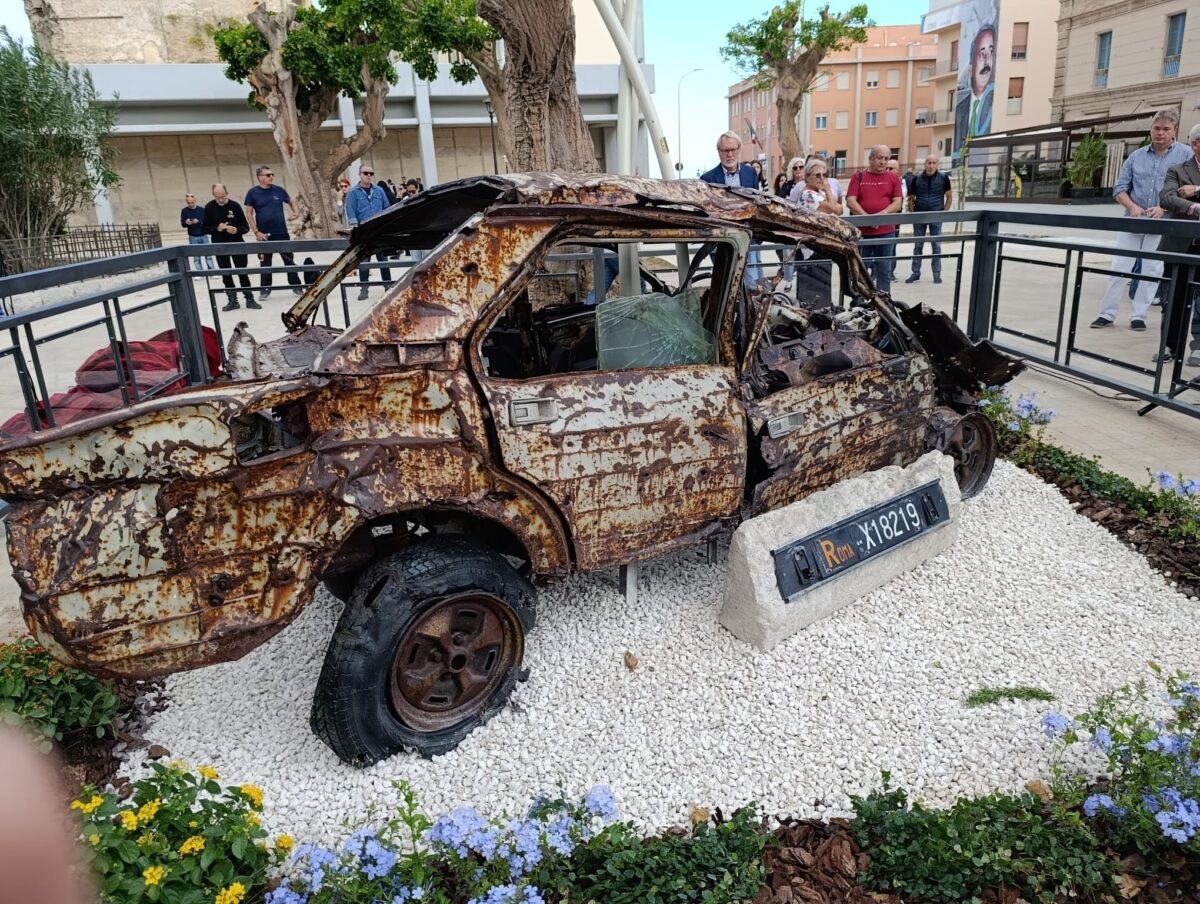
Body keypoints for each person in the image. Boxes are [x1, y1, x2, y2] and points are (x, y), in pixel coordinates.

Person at [1091, 109, 1191, 331]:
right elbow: (1119, 189)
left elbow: (1187, 189)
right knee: (1119, 267)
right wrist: (1132, 206)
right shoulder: (1136, 156)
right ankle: (1106, 314)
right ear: (1151, 130)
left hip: (1161, 223)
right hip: (1133, 221)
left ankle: (1139, 315)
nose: (1160, 133)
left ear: (1174, 130)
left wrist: (1165, 207)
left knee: (1151, 270)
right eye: (1157, 128)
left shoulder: (1185, 155)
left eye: (1166, 129)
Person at [1157, 122, 1200, 367]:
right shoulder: (1177, 170)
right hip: (1180, 245)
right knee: (1173, 299)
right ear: (1195, 144)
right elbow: (1167, 197)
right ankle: (1169, 346)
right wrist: (1193, 206)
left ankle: (1198, 348)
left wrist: (1196, 190)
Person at [846, 145, 903, 295]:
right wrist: (867, 218)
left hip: (886, 232)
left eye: (886, 158)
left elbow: (898, 203)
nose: (883, 162)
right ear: (871, 159)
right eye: (879, 158)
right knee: (860, 270)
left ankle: (884, 303)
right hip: (862, 233)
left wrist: (880, 215)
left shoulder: (893, 178)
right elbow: (851, 201)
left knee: (884, 269)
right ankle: (859, 302)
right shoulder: (858, 177)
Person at [244, 164, 302, 298]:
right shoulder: (252, 193)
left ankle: (297, 287)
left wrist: (296, 212)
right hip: (264, 234)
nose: (271, 177)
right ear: (260, 177)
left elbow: (291, 201)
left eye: (272, 174)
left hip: (281, 232)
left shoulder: (279, 190)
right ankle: (265, 290)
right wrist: (256, 232)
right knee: (265, 263)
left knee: (289, 261)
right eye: (268, 175)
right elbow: (249, 213)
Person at [203, 183, 257, 311]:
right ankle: (232, 300)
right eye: (217, 197)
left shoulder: (234, 206)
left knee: (242, 272)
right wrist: (217, 228)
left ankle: (249, 298)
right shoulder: (209, 207)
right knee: (226, 273)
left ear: (227, 193)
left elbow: (245, 227)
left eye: (223, 196)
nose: (220, 200)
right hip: (220, 245)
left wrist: (236, 230)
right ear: (213, 195)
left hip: (236, 243)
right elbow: (204, 228)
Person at [346, 164, 393, 301]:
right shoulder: (353, 193)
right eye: (365, 173)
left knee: (383, 260)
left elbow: (387, 208)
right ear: (360, 174)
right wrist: (356, 227)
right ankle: (364, 288)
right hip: (364, 232)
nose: (368, 176)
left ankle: (387, 286)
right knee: (364, 261)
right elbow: (351, 211)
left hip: (379, 231)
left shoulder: (379, 191)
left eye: (371, 173)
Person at [905, 154, 953, 285]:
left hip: (936, 216)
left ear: (937, 164)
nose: (931, 165)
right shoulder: (917, 179)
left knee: (936, 246)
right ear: (925, 164)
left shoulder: (944, 178)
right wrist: (913, 213)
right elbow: (911, 198)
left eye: (934, 163)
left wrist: (944, 213)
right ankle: (915, 273)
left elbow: (949, 197)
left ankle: (937, 274)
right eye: (929, 163)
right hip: (920, 216)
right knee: (918, 246)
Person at [955, 25, 995, 151]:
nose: (987, 61)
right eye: (981, 54)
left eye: (991, 53)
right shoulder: (960, 109)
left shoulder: (993, 105)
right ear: (971, 68)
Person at [884, 160, 908, 279]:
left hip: (894, 219)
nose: (887, 170)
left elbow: (899, 200)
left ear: (897, 170)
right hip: (882, 219)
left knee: (892, 246)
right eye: (886, 168)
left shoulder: (901, 183)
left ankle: (890, 271)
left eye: (891, 168)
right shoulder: (883, 181)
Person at [180, 193, 216, 270]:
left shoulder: (202, 210)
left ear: (195, 201)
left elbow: (207, 222)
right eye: (189, 203)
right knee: (196, 256)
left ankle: (211, 270)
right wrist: (187, 223)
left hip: (203, 234)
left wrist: (199, 222)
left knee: (208, 255)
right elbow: (183, 224)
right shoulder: (184, 211)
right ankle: (199, 272)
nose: (190, 204)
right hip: (193, 236)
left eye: (192, 202)